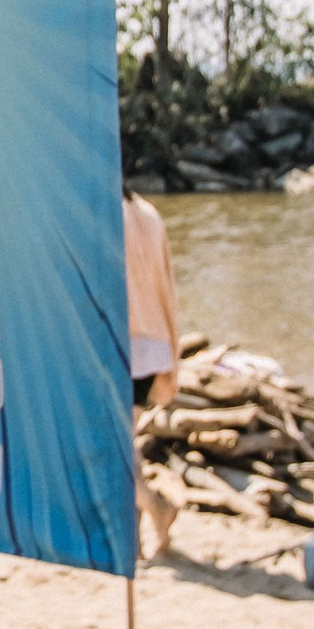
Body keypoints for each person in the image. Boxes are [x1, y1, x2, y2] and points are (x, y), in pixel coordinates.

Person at [122, 182, 180, 559]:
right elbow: (165, 280)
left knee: (116, 446)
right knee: (124, 440)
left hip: (125, 344)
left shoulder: (104, 215)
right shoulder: (147, 212)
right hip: (153, 343)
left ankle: (157, 506)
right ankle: (137, 539)